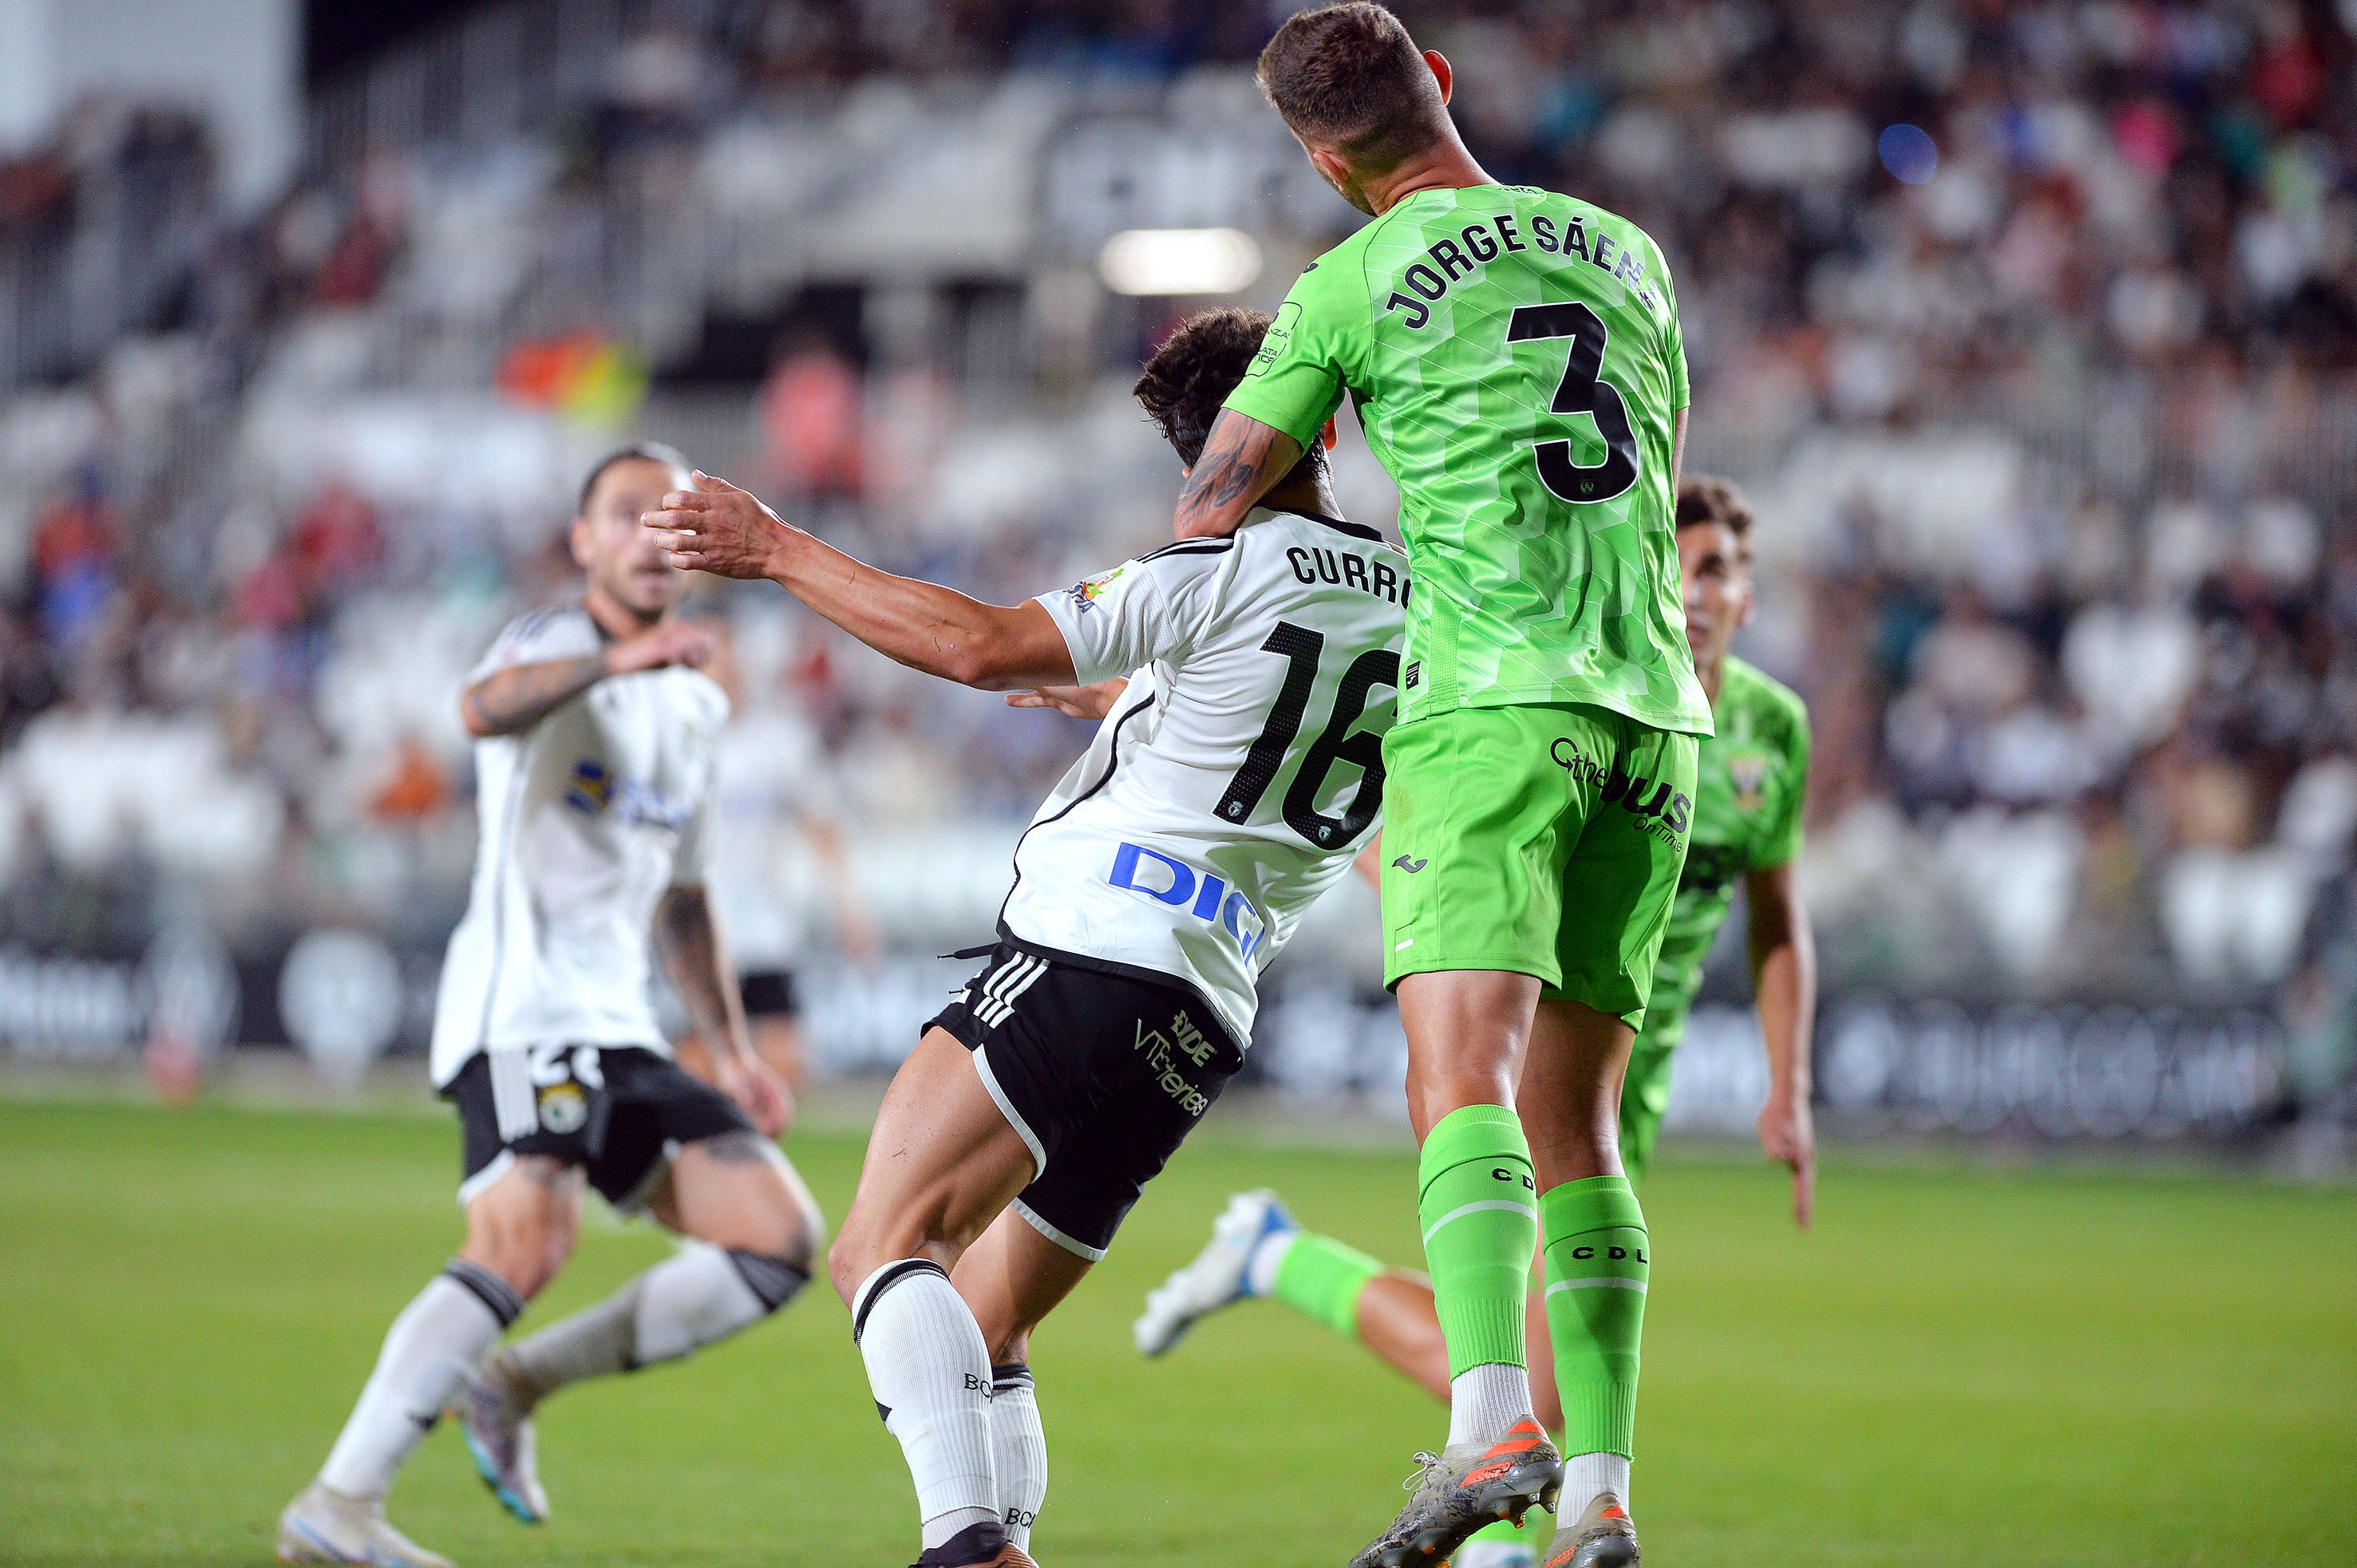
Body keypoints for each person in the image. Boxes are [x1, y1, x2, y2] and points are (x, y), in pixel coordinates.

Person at [647, 308, 1406, 1568]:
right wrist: (1126, 700)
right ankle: (1002, 1542)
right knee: (988, 1322)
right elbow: (1266, 727)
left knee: (882, 1245)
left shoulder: (1206, 571)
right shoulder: (1410, 607)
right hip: (1200, 1015)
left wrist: (773, 547)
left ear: (1209, 457)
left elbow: (973, 644)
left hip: (1093, 950)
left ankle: (966, 1546)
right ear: (1328, 428)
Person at [1167, 9, 1714, 1566]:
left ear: (1323, 159)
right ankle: (1601, 1494)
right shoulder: (1629, 253)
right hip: (1649, 717)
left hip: (1490, 706)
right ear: (1445, 92)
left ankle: (1487, 1430)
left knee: (1453, 1078)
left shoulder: (1345, 282)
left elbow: (1217, 499)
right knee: (1585, 1128)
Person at [1135, 476, 1817, 1568]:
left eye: (1718, 571)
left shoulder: (1766, 730)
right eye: (1679, 564)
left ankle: (1278, 1258)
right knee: (1546, 1384)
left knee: (1551, 1368)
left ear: (1747, 592)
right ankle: (1300, 1279)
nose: (1695, 591)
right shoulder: (1557, 682)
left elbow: (1778, 918)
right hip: (1531, 1035)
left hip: (1629, 1061)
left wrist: (1788, 1082)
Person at [276, 445, 824, 1568]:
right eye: (622, 513)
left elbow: (684, 894)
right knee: (524, 1237)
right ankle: (338, 1504)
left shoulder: (696, 707)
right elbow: (480, 709)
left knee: (778, 1239)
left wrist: (728, 1047)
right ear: (582, 541)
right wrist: (617, 663)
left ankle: (515, 1381)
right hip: (521, 1008)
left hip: (618, 1025)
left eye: (667, 518)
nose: (645, 535)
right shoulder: (550, 644)